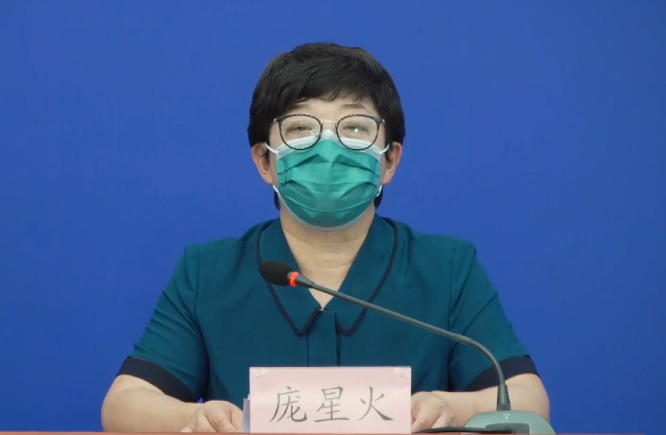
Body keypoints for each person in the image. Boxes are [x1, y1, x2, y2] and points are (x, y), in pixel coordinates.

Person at [101, 42, 550, 433]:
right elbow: (123, 405)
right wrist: (194, 418)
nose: (328, 149)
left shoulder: (447, 267)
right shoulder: (209, 272)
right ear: (264, 161)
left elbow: (529, 400)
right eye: (301, 129)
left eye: (355, 128)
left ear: (390, 161)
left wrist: (452, 407)